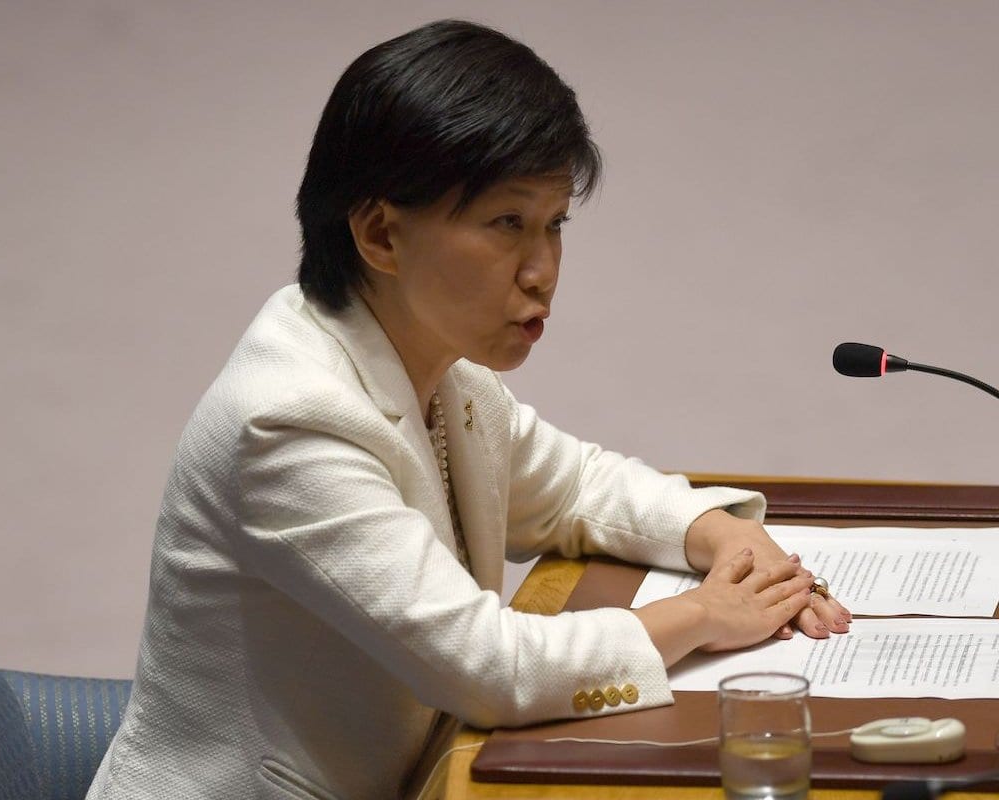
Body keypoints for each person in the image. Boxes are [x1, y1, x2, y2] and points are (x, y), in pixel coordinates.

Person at [85, 19, 851, 800]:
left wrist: (721, 533)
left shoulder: (443, 369)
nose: (542, 270)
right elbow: (488, 666)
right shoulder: (288, 419)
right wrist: (706, 615)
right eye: (506, 224)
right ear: (381, 234)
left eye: (555, 224)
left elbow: (578, 489)